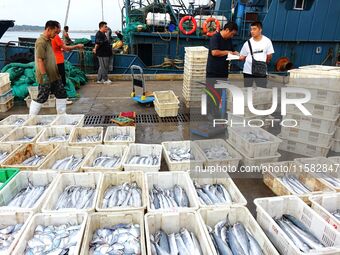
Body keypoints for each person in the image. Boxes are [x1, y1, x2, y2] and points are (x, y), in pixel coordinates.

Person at [29, 20, 68, 115]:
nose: (56, 35)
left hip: (54, 74)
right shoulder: (41, 42)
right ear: (48, 29)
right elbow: (40, 60)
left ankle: (62, 115)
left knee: (62, 94)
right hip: (45, 76)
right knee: (42, 97)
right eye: (55, 32)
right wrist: (44, 76)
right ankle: (31, 117)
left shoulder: (49, 40)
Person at [51, 22, 83, 105]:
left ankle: (57, 97)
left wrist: (62, 50)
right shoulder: (56, 37)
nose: (60, 30)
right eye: (59, 28)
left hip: (53, 61)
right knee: (62, 81)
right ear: (55, 28)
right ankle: (62, 99)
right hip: (58, 62)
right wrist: (77, 46)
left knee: (56, 81)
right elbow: (65, 47)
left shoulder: (50, 37)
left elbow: (56, 49)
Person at [239, 21, 274, 88]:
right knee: (247, 90)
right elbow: (242, 56)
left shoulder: (267, 41)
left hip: (261, 71)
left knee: (262, 90)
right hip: (248, 71)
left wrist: (262, 63)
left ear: (260, 30)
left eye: (254, 29)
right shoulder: (247, 42)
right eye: (251, 29)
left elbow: (269, 56)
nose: (252, 31)